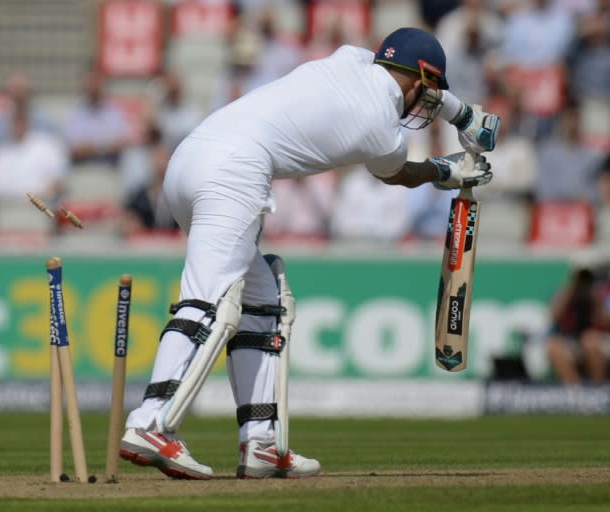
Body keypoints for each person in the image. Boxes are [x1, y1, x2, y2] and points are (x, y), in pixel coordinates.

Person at [119, 27, 499, 481]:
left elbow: (421, 86)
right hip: (235, 169)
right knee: (209, 299)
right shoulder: (382, 126)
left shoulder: (352, 58)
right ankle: (150, 422)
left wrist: (466, 118)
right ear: (420, 83)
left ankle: (261, 442)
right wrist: (449, 169)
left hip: (188, 162)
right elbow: (399, 174)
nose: (424, 105)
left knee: (265, 300)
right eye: (427, 94)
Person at [546, 265, 610, 384]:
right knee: (554, 347)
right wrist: (571, 290)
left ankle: (597, 389)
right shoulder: (564, 294)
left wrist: (595, 299)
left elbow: (605, 321)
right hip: (571, 339)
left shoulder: (601, 292)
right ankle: (576, 392)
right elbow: (554, 317)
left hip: (596, 338)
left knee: (590, 341)